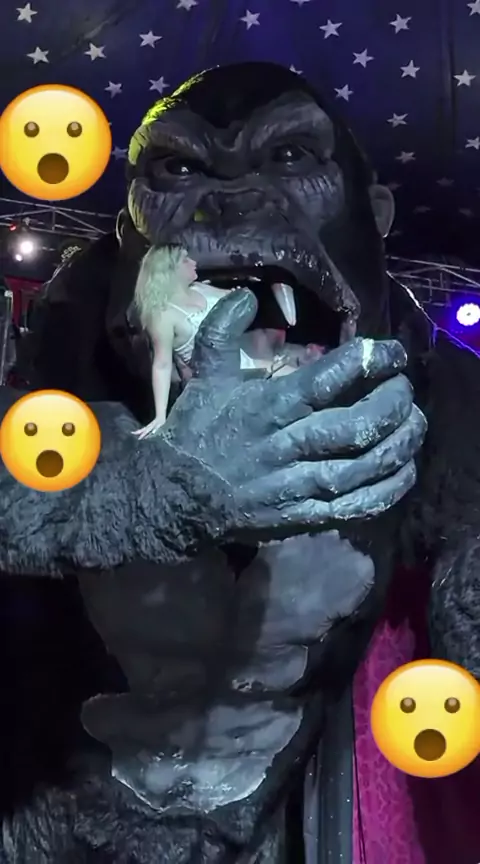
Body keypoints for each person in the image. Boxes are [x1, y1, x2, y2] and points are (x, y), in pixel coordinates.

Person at [132, 245, 297, 438]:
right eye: (185, 259)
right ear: (169, 269)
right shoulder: (162, 315)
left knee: (297, 375)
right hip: (215, 386)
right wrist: (160, 416)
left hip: (244, 363)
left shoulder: (200, 288)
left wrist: (239, 293)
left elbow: (236, 301)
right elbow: (162, 364)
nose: (194, 262)